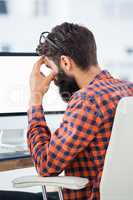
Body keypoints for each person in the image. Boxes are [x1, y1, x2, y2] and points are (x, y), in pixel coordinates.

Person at [0, 22, 133, 200]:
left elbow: (46, 167)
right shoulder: (128, 89)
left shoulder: (87, 100)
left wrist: (36, 96)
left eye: (50, 69)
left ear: (65, 62)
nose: (52, 79)